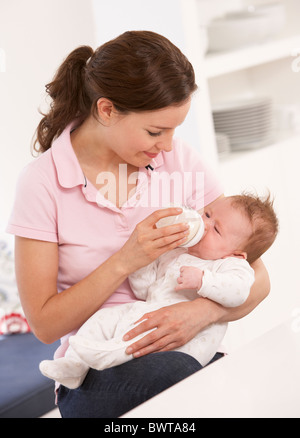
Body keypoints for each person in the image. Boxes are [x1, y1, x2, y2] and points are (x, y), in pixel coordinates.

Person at [7, 31, 271, 418]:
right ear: (108, 110)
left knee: (217, 381)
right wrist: (126, 260)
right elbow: (45, 325)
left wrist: (200, 314)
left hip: (179, 351)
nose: (167, 146)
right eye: (154, 131)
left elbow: (256, 274)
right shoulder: (42, 183)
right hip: (98, 370)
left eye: (174, 130)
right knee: (187, 379)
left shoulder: (176, 160)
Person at [39, 193, 278, 389]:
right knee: (103, 319)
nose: (204, 224)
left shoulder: (230, 265)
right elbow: (144, 288)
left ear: (236, 253)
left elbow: (239, 292)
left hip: (187, 340)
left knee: (144, 341)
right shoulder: (178, 252)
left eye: (216, 230)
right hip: (147, 310)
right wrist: (141, 260)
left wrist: (204, 280)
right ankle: (73, 365)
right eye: (206, 214)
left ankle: (104, 356)